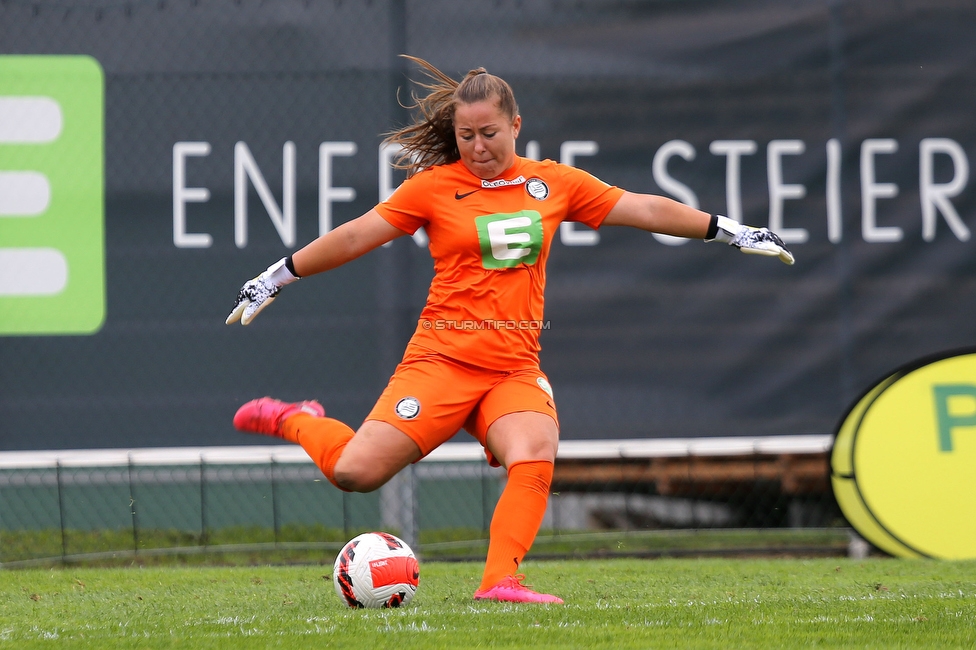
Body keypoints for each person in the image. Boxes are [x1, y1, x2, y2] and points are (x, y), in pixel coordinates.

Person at [226, 56, 793, 604]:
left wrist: (729, 230)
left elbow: (642, 209)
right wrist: (275, 277)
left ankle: (501, 581)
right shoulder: (434, 188)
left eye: (490, 133)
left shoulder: (555, 183)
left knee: (535, 449)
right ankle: (298, 418)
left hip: (511, 369)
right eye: (467, 135)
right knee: (354, 473)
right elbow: (354, 236)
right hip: (441, 362)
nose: (478, 147)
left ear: (516, 125)